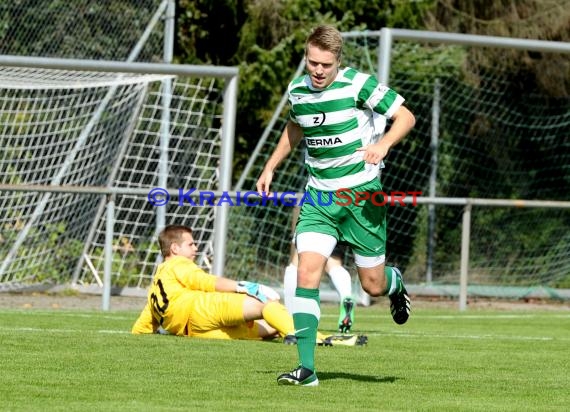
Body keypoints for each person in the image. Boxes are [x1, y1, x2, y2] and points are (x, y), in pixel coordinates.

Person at [256, 25, 416, 386]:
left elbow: (406, 116)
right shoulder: (297, 90)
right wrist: (270, 166)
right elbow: (295, 127)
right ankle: (307, 369)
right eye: (312, 62)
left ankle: (395, 282)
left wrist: (385, 144)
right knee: (306, 274)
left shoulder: (358, 84)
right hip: (320, 198)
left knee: (372, 285)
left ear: (337, 62)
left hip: (362, 197)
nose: (318, 70)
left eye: (325, 65)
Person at [131, 224, 294, 341]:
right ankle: (299, 334)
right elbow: (203, 281)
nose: (196, 248)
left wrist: (139, 334)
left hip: (192, 332)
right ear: (175, 248)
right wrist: (241, 286)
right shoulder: (178, 263)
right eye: (191, 244)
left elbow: (142, 326)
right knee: (264, 304)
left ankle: (289, 331)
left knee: (251, 332)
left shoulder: (155, 286)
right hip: (200, 309)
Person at [283, 206, 356, 333]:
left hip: (318, 203)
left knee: (297, 262)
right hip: (344, 204)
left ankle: (290, 321)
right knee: (333, 263)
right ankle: (346, 295)